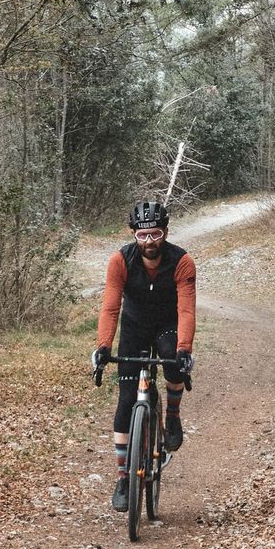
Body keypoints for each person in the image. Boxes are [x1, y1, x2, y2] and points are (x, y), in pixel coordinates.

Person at [92, 200, 197, 512]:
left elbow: (186, 310)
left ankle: (173, 417)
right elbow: (111, 307)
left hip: (168, 324)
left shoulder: (182, 261)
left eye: (155, 234)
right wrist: (102, 347)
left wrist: (184, 350)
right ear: (133, 235)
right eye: (142, 236)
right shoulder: (120, 261)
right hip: (135, 326)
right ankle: (124, 478)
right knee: (126, 399)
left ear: (165, 232)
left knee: (172, 360)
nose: (149, 242)